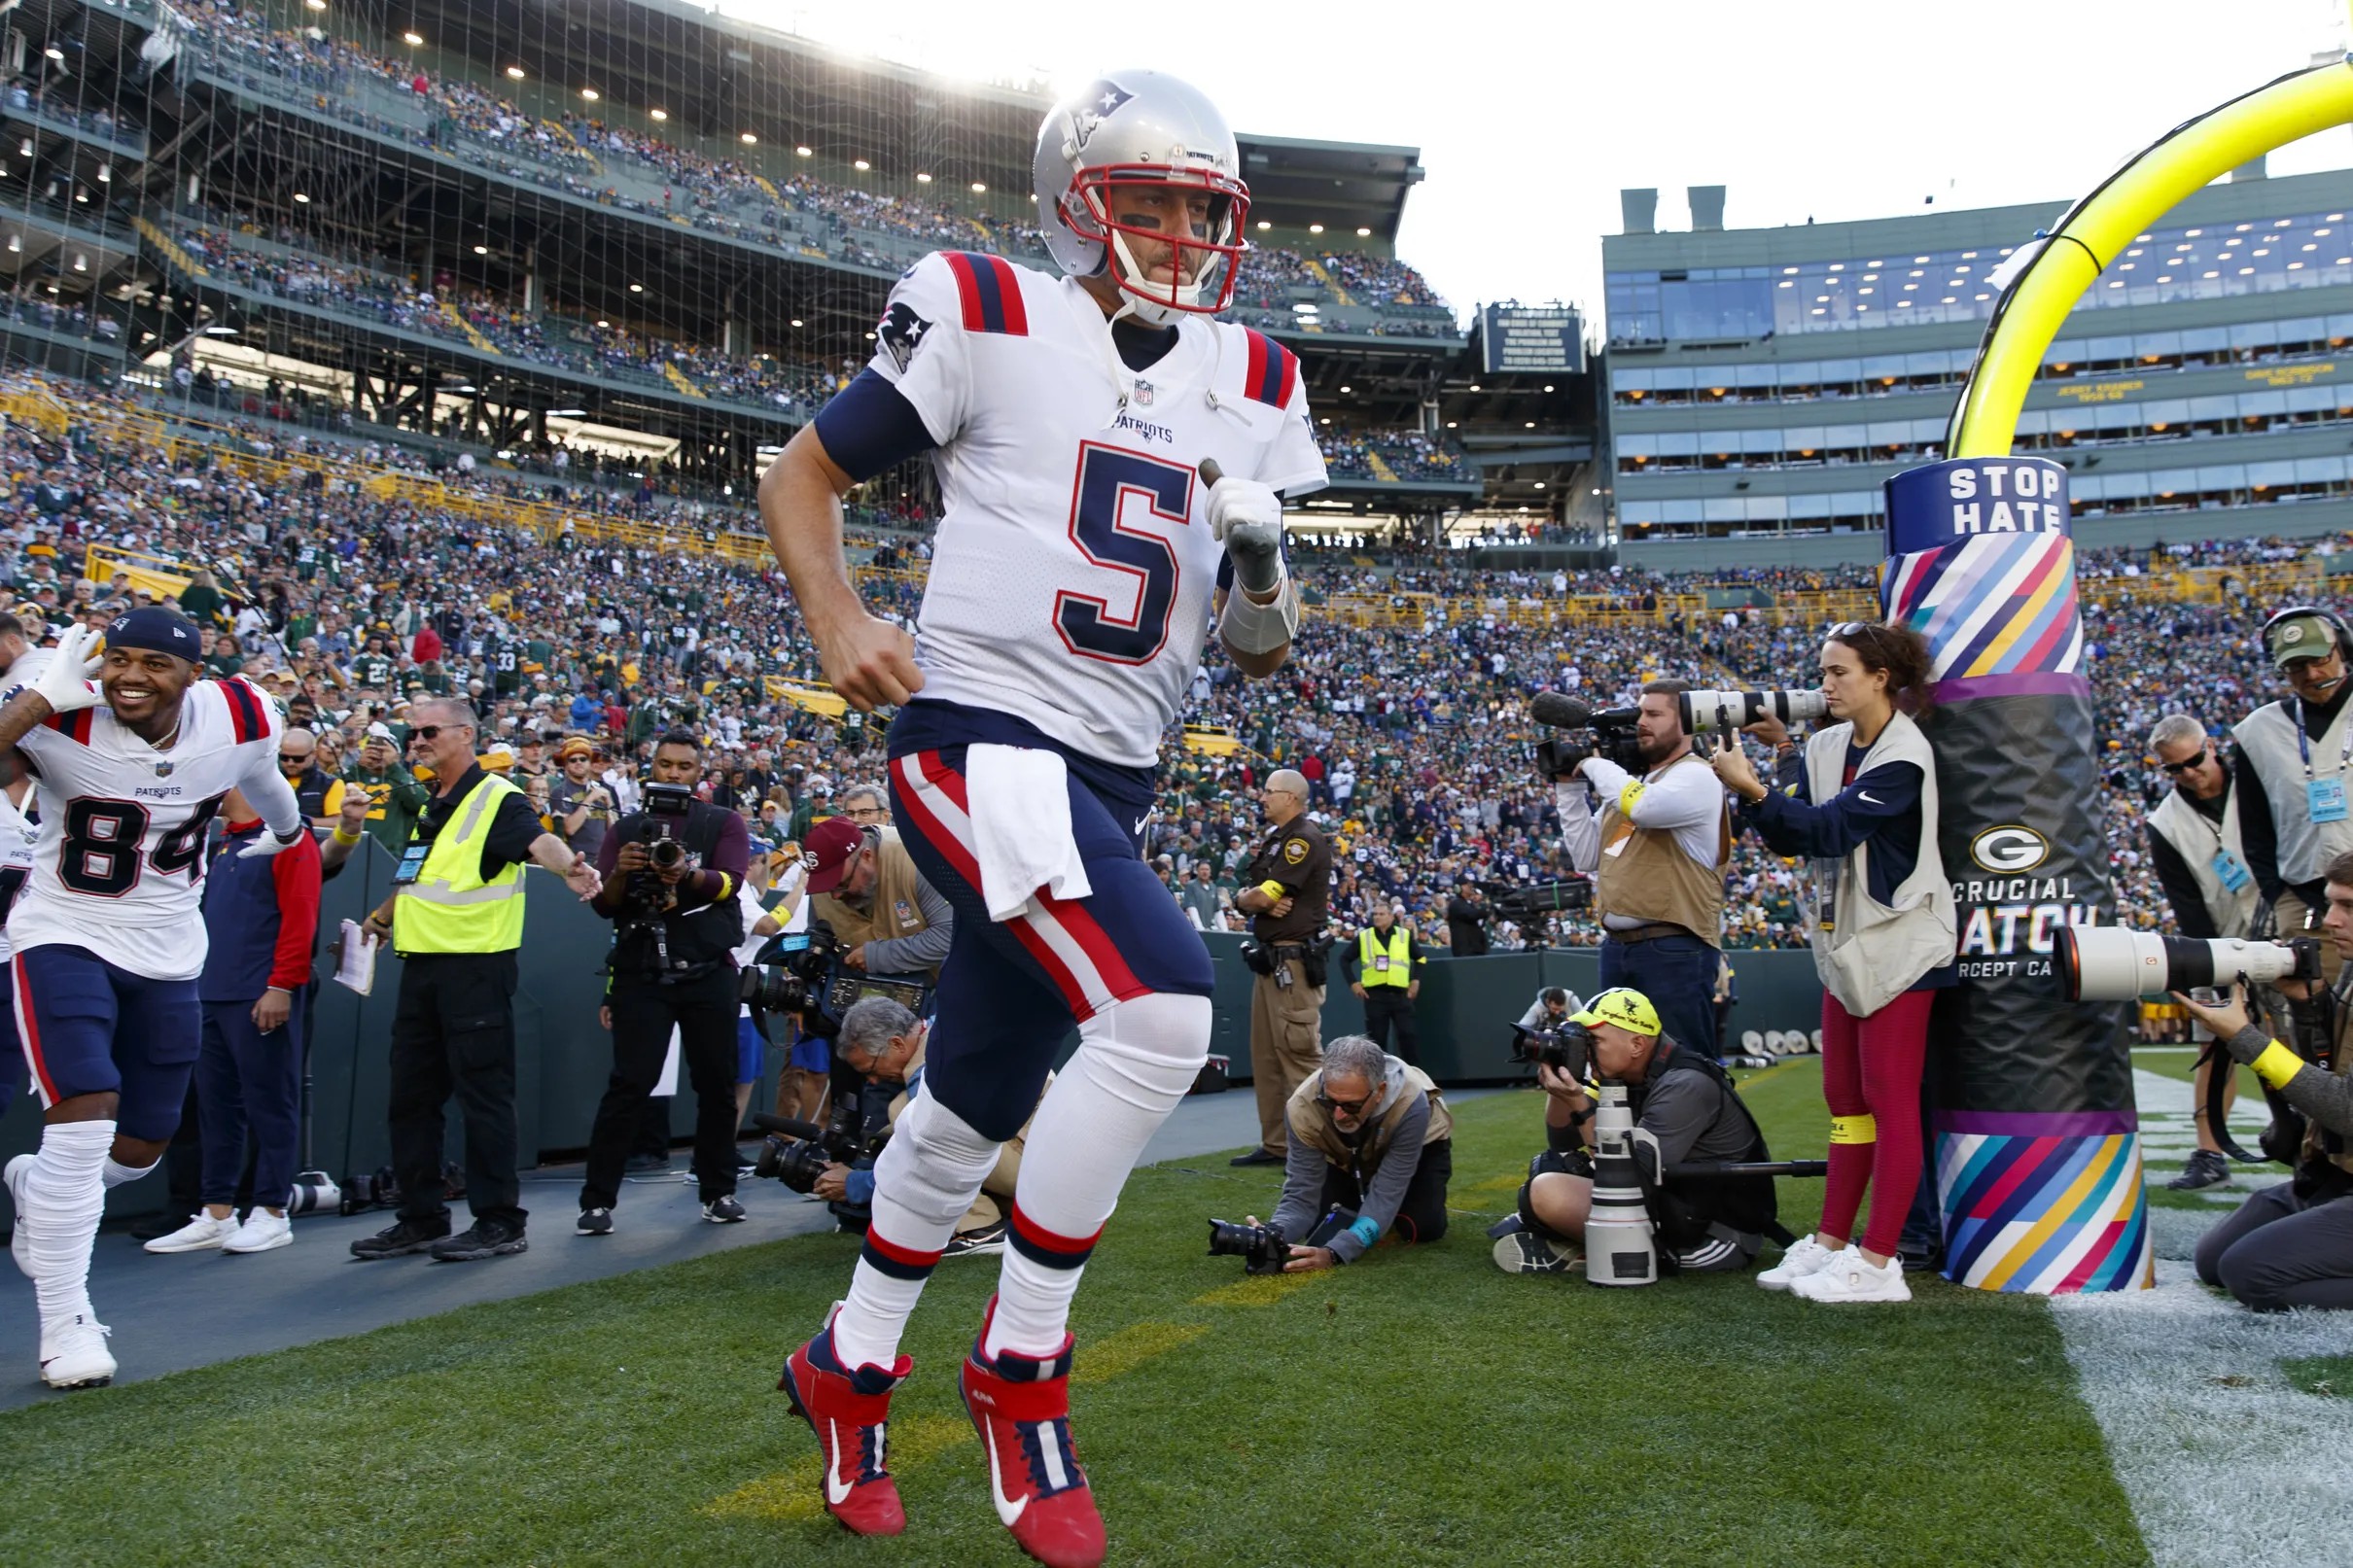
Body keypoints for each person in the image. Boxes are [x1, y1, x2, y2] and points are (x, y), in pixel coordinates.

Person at [757, 68, 1322, 1561]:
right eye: (1147, 200)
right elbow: (801, 469)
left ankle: (849, 1360)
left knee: (971, 1104)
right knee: (1155, 1012)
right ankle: (1021, 1370)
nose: (1179, 232)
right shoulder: (984, 305)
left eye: (1202, 208)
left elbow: (1259, 653)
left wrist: (1259, 566)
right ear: (1078, 197)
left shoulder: (1259, 380)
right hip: (978, 735)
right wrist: (837, 620)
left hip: (1113, 775)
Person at [0, 610, 305, 1389]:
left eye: (154, 665)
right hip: (61, 927)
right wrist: (41, 698)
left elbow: (262, 767)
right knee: (83, 1110)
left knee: (139, 1148)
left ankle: (43, 1189)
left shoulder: (236, 712)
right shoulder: (59, 703)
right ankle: (66, 1321)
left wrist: (286, 826)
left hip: (169, 948)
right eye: (120, 659)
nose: (130, 676)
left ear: (192, 676)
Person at [1713, 620, 1953, 1306]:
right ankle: (1830, 1241)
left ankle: (1880, 1262)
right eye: (1823, 671)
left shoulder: (1905, 754)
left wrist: (1754, 790)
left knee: (1889, 1101)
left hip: (1902, 946)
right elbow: (1805, 807)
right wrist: (1780, 754)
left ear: (1882, 676)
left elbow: (1829, 828)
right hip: (1848, 945)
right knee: (1845, 1103)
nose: (1825, 685)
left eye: (1839, 671)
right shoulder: (1830, 743)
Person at [347, 698, 602, 1266]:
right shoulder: (433, 803)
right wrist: (384, 917)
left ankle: (500, 1221)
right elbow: (422, 875)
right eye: (411, 733)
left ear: (466, 734)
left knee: (484, 1098)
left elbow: (541, 844)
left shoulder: (496, 796)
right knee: (409, 1101)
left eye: (428, 730)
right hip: (421, 968)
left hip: (475, 969)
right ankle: (421, 1217)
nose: (416, 740)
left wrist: (572, 869)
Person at [576, 731, 754, 1234]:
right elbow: (607, 906)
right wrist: (622, 871)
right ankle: (596, 1201)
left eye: (684, 766)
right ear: (651, 766)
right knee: (629, 1084)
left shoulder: (723, 821)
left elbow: (731, 884)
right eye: (665, 764)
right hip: (642, 973)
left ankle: (718, 1191)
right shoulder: (627, 828)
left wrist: (683, 875)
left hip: (707, 972)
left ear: (700, 772)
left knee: (716, 1085)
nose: (674, 773)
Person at [142, 784, 323, 1257]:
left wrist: (281, 986)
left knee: (270, 1100)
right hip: (211, 992)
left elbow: (300, 917)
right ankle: (217, 1212)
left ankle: (272, 1212)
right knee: (215, 1109)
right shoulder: (223, 842)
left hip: (259, 992)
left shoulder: (288, 837)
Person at [1496, 988, 1776, 1278]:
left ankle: (1592, 1251)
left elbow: (1629, 1180)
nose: (1586, 1049)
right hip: (1671, 1201)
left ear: (1637, 1044)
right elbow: (1562, 1141)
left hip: (1717, 1232)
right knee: (1555, 1165)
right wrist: (1561, 1084)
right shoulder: (1623, 1072)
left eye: (1594, 1040)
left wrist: (1578, 1103)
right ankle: (1583, 1243)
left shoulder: (1685, 1084)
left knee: (1548, 1192)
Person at [2179, 846, 2353, 1310]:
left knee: (2253, 1274)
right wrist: (2304, 1003)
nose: (2330, 920)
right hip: (2338, 1174)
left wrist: (2245, 1039)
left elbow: (2347, 1111)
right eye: (2332, 903)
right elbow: (2326, 1066)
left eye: (2349, 907)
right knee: (2214, 1260)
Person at [1556, 679, 1730, 1075]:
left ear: (1687, 722)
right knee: (1617, 1069)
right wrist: (1568, 788)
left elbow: (1646, 810)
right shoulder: (1638, 787)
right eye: (1640, 714)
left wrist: (1595, 763)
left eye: (1653, 714)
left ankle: (1708, 1138)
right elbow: (1586, 855)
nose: (1641, 723)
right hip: (1619, 947)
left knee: (1684, 1067)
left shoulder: (1696, 776)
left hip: (1674, 946)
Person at [810, 996, 1028, 1257]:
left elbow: (929, 1153)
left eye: (871, 1068)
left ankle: (981, 1228)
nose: (873, 1080)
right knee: (907, 1114)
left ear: (896, 1043)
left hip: (1034, 1164)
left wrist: (856, 1183)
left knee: (916, 1121)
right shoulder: (941, 1029)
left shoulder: (932, 1065)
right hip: (1043, 1159)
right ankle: (1009, 1213)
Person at [2233, 607, 2353, 1067]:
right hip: (2307, 902)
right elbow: (2255, 830)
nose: (2312, 673)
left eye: (2320, 658)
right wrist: (2281, 895)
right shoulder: (2258, 732)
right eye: (2296, 666)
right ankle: (2321, 1136)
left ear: (2342, 649)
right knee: (2318, 1030)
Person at [2146, 713, 2260, 1192]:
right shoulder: (2164, 823)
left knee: (2313, 1044)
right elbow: (2186, 903)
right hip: (2219, 939)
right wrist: (2216, 964)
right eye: (2175, 769)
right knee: (2215, 1049)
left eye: (2194, 761)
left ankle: (2323, 1146)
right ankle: (2209, 1152)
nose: (2190, 774)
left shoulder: (2256, 783)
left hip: (2281, 922)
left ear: (2211, 747)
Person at [1256, 1034, 1451, 1269]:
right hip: (1346, 1153)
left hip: (1422, 1145)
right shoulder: (1301, 1108)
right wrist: (1272, 1234)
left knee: (1423, 1227)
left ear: (1380, 1091)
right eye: (1330, 1102)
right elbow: (1300, 1197)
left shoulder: (1412, 1103)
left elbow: (1387, 1191)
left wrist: (1335, 1253)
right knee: (1321, 1228)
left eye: (1351, 1105)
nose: (1339, 1115)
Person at [1232, 769, 1332, 1167]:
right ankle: (1278, 1146)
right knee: (1267, 1059)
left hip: (1293, 964)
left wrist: (1252, 901)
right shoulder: (1278, 841)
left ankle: (1326, 1147)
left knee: (1300, 1057)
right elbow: (1252, 894)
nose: (1263, 798)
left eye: (1270, 792)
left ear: (1291, 797)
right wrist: (1249, 899)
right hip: (1270, 961)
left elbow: (1263, 897)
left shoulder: (1302, 841)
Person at [802, 815, 954, 983]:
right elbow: (816, 941)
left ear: (867, 856)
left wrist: (877, 956)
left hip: (944, 993)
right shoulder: (823, 888)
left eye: (842, 884)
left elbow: (948, 936)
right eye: (827, 887)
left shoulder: (914, 857)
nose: (835, 896)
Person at [1344, 903, 1424, 1064]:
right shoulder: (1365, 936)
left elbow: (1421, 959)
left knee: (1408, 1036)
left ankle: (1416, 1080)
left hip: (1401, 995)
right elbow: (1344, 959)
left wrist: (1415, 980)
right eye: (1375, 914)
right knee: (1376, 1041)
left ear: (1391, 916)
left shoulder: (1404, 935)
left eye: (1381, 914)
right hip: (1375, 996)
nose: (1377, 917)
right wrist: (1353, 983)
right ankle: (1377, 1081)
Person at [343, 722, 429, 853]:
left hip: (388, 853)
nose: (377, 754)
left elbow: (419, 802)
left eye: (383, 750)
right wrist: (359, 765)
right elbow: (334, 785)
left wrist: (393, 767)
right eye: (371, 749)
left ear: (397, 754)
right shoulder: (353, 775)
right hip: (349, 849)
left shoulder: (402, 778)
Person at [548, 736, 614, 859]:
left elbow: (613, 831)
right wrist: (590, 798)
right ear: (566, 765)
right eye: (572, 760)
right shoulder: (560, 792)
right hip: (576, 858)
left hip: (603, 857)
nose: (578, 763)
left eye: (583, 759)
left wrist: (609, 807)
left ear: (590, 762)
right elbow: (570, 829)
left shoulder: (602, 790)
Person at [276, 727, 346, 836]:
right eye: (284, 757)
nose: (290, 763)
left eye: (298, 759)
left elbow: (337, 822)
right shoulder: (271, 780)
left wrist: (298, 822)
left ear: (313, 754)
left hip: (310, 844)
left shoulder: (331, 783)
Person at [1445, 879, 1489, 957]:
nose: (1470, 887)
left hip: (1476, 949)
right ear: (1459, 887)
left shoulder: (1469, 904)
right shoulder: (1456, 903)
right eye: (1467, 885)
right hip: (1465, 950)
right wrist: (1486, 909)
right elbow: (1470, 915)